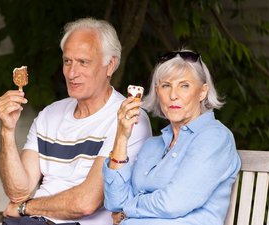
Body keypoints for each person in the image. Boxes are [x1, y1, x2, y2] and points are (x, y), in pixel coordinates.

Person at [0, 17, 152, 225]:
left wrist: (26, 207)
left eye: (83, 62)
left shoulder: (128, 118)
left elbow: (86, 202)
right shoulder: (49, 115)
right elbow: (18, 192)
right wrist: (7, 130)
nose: (72, 73)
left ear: (110, 65)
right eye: (67, 61)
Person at [103, 49, 241, 225]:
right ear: (157, 91)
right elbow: (115, 202)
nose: (173, 95)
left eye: (184, 85)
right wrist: (122, 136)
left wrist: (127, 210)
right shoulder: (152, 146)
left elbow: (174, 203)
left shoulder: (215, 138)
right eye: (166, 85)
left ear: (202, 92)